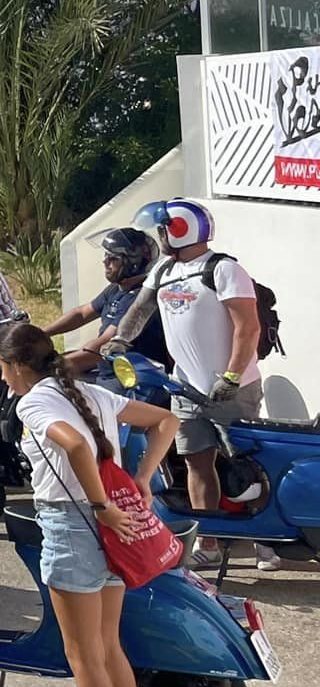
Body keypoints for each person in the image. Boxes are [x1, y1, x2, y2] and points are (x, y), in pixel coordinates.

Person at [0, 322, 179, 687]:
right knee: (108, 647)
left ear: (15, 366)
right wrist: (141, 480)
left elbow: (75, 447)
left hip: (76, 525)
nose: (2, 375)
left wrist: (99, 507)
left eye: (1, 365)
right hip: (111, 528)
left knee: (85, 658)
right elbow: (165, 420)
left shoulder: (32, 402)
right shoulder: (90, 393)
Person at [114, 197, 268, 570]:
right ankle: (210, 543)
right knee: (198, 464)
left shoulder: (224, 269)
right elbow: (140, 310)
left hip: (233, 386)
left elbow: (248, 327)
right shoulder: (164, 270)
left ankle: (266, 544)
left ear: (181, 228)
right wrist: (121, 339)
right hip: (184, 388)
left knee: (246, 467)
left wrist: (231, 376)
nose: (161, 236)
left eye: (164, 229)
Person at [44, 227, 163, 373]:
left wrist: (47, 368)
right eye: (106, 255)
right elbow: (81, 314)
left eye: (113, 258)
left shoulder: (139, 299)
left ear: (134, 264)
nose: (105, 261)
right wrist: (42, 333)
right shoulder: (117, 288)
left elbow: (99, 348)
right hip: (107, 368)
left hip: (127, 379)